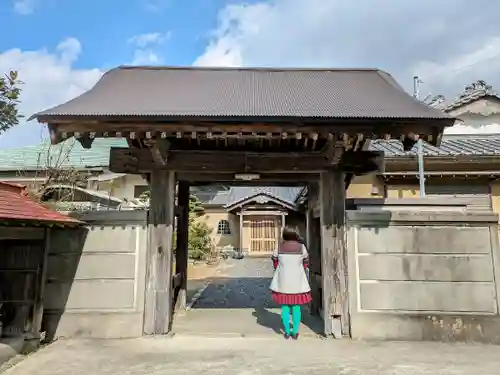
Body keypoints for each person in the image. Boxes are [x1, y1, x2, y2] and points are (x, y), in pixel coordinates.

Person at [269, 227, 311, 340]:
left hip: (283, 281)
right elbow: (305, 262)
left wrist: (280, 269)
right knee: (296, 307)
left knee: (285, 307)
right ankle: (295, 331)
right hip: (297, 281)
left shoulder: (279, 247)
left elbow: (274, 260)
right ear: (296, 234)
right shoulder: (301, 247)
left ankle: (287, 331)